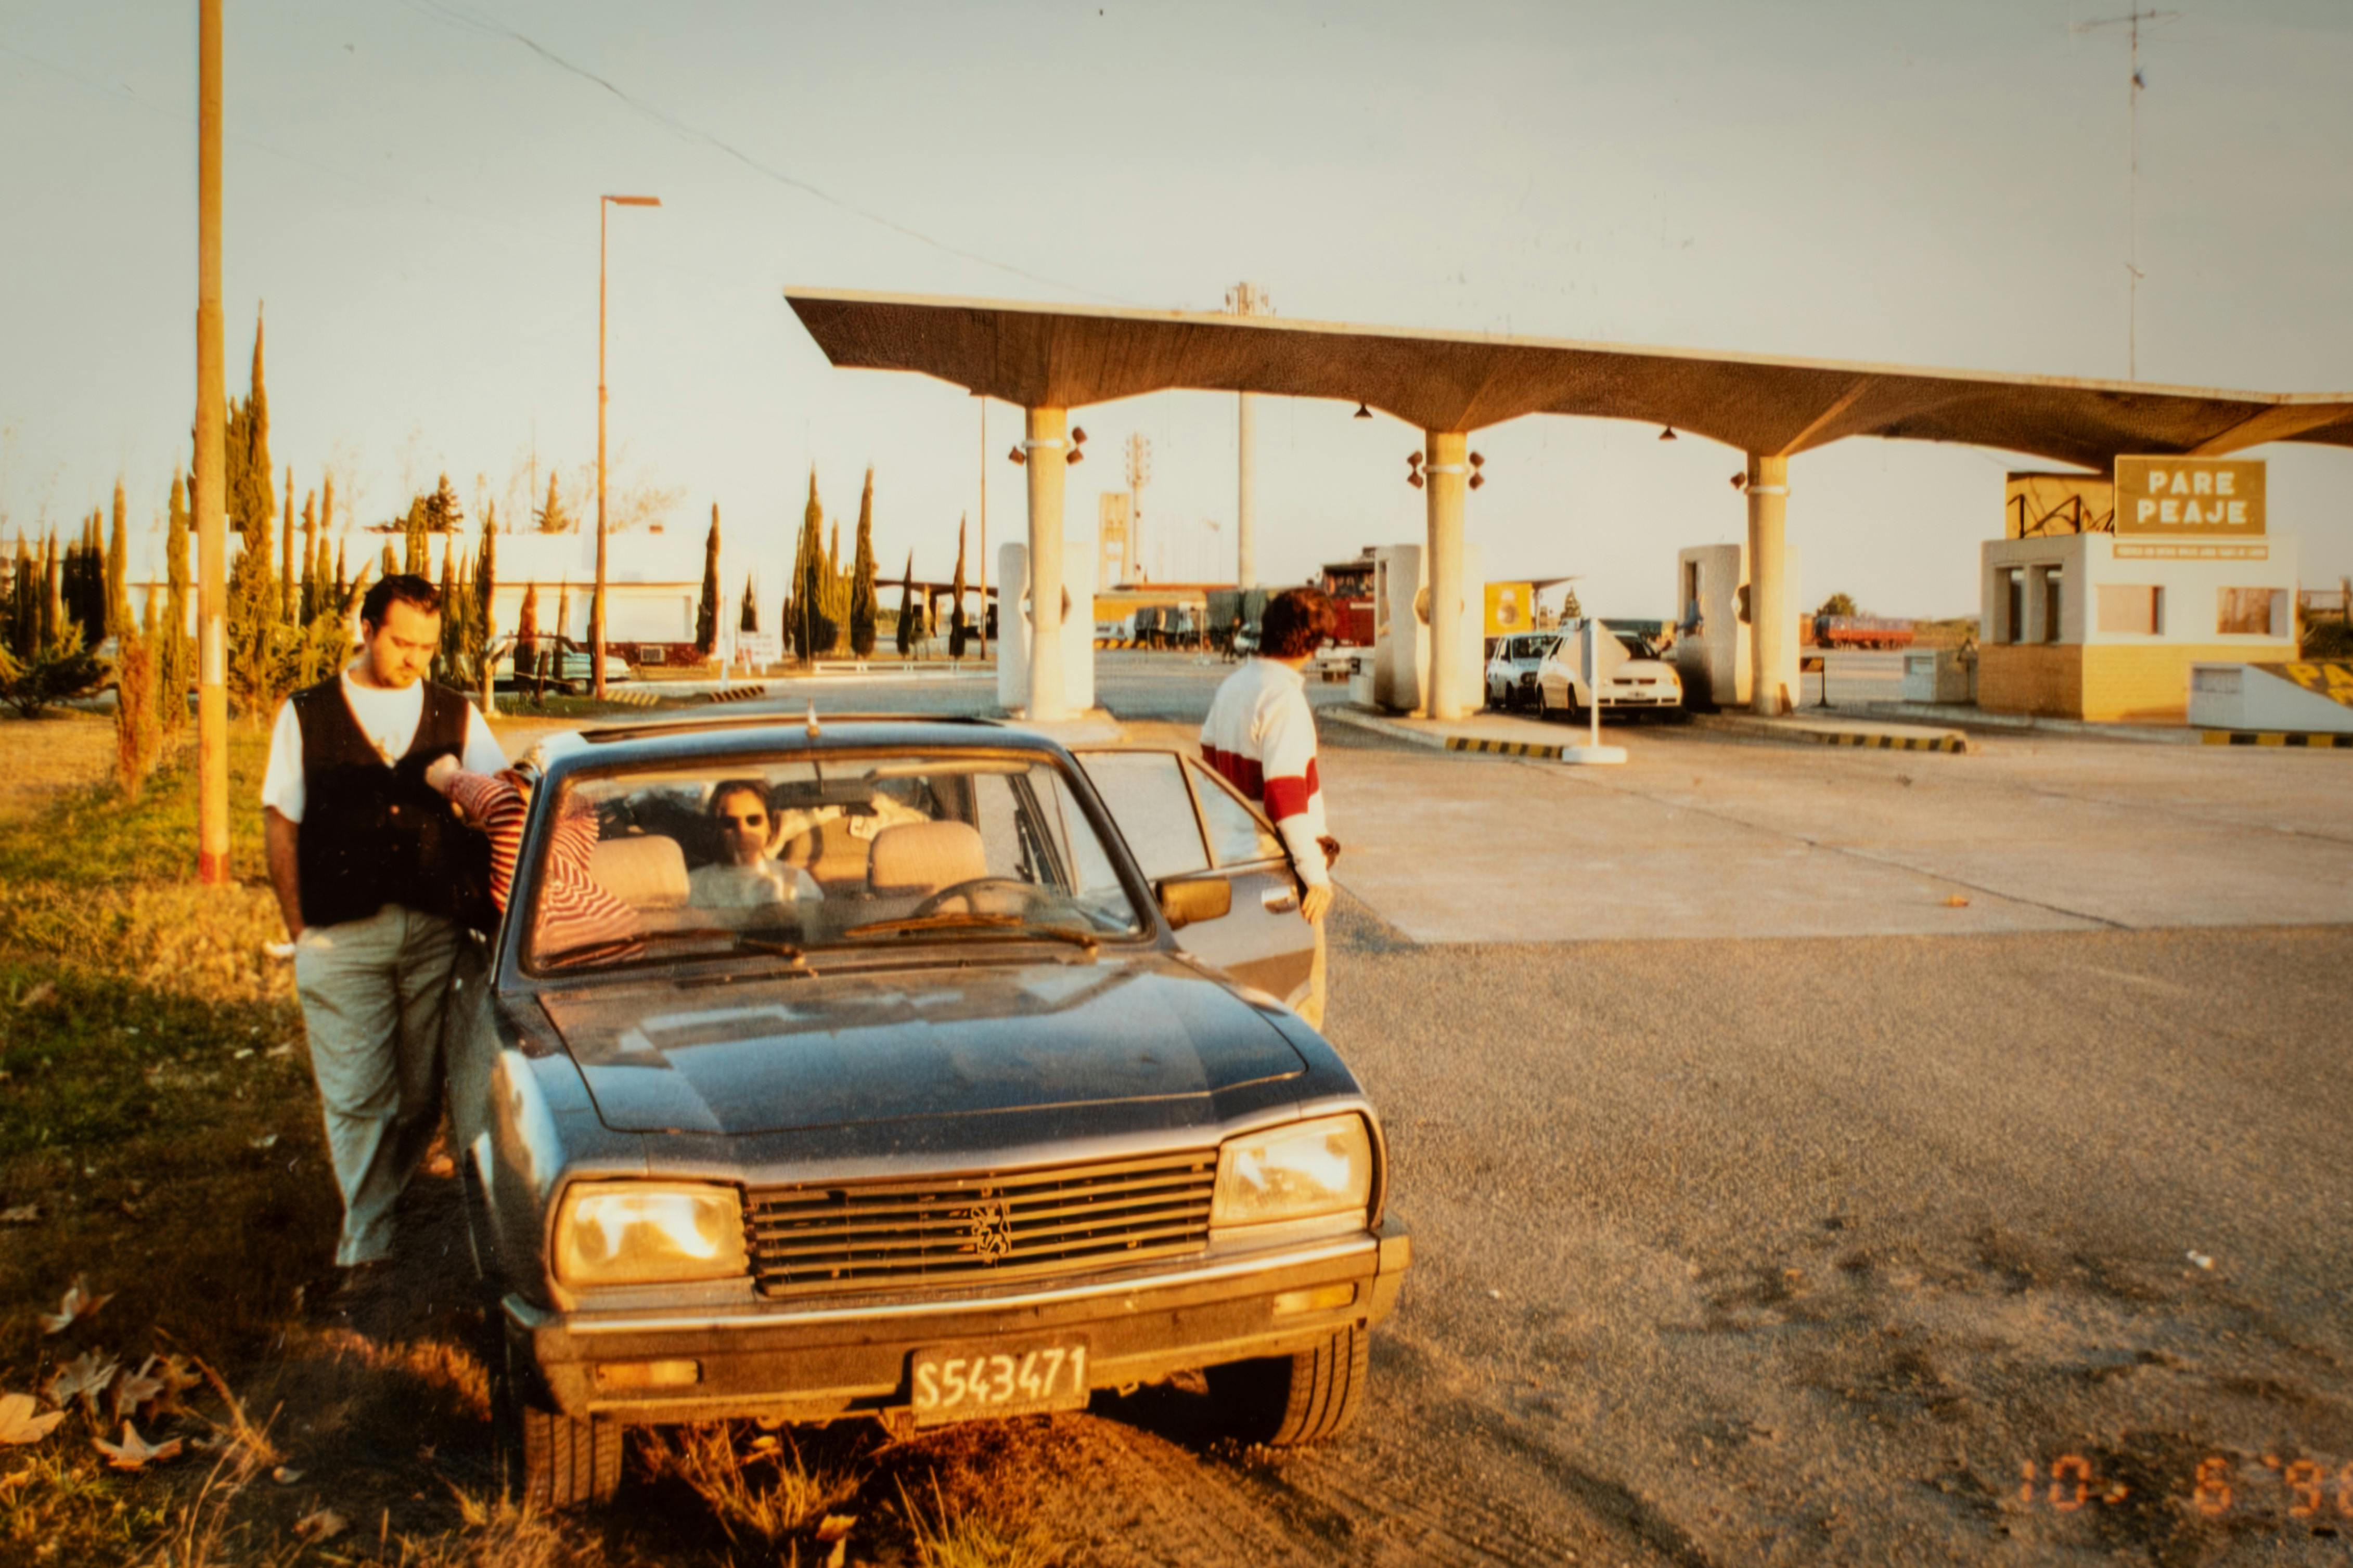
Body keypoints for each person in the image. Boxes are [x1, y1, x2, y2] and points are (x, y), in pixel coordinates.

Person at [261, 574, 506, 1288]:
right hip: (341, 935)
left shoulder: (455, 711)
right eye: (402, 641)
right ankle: (367, 1246)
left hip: (434, 931)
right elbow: (282, 823)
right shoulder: (306, 713)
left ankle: (384, 1205)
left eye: (428, 646)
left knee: (422, 1091)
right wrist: (299, 928)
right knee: (359, 1091)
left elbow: (502, 801)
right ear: (364, 628)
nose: (415, 659)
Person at [1199, 586, 1340, 1029]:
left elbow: (1206, 767)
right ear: (1313, 645)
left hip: (1226, 869)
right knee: (1299, 1012)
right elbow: (1286, 800)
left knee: (1244, 1013)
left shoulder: (1233, 687)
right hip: (1274, 875)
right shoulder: (1285, 701)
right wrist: (1315, 876)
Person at [688, 780, 822, 909]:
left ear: (770, 825)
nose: (742, 831)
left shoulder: (797, 882)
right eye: (729, 823)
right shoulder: (692, 886)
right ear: (716, 829)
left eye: (753, 820)